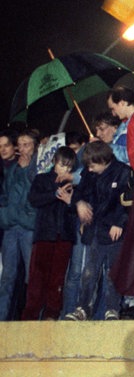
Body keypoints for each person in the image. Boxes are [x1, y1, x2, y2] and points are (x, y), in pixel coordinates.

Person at [63, 141, 134, 321]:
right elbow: (80, 192)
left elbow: (129, 203)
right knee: (89, 272)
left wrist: (119, 222)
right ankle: (82, 309)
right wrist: (78, 203)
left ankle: (112, 309)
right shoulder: (89, 172)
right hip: (95, 229)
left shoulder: (124, 172)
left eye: (93, 165)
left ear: (104, 160)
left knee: (113, 272)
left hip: (115, 232)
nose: (90, 169)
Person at [21, 147, 77, 320]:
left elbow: (77, 209)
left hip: (64, 236)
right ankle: (30, 315)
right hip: (45, 234)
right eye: (62, 164)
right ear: (54, 162)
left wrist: (71, 201)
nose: (65, 169)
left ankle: (51, 315)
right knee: (38, 277)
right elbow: (34, 199)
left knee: (58, 278)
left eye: (69, 166)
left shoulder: (74, 183)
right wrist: (54, 194)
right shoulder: (42, 179)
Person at [0, 130, 39, 320]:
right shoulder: (11, 168)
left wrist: (25, 171)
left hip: (28, 227)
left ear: (35, 147)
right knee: (7, 276)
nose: (22, 149)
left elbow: (33, 193)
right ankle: (2, 318)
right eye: (20, 145)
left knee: (31, 276)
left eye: (27, 145)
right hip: (11, 227)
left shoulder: (39, 167)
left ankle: (32, 318)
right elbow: (6, 192)